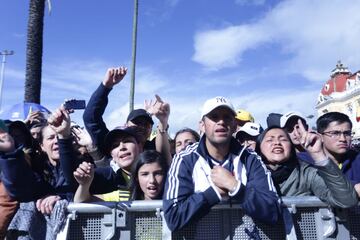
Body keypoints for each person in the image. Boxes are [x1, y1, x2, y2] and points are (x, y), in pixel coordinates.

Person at [163, 96, 280, 231]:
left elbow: (273, 210)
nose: (221, 122)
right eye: (214, 117)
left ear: (235, 125)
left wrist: (236, 187)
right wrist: (214, 193)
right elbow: (173, 217)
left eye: (227, 117)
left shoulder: (251, 159)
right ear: (202, 125)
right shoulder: (185, 159)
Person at [255, 122, 358, 208]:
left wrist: (319, 155)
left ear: (291, 147)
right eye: (270, 140)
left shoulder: (306, 173)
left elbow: (347, 200)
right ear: (259, 147)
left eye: (283, 139)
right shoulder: (249, 174)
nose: (277, 142)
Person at [73, 126, 143, 202]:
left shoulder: (154, 167)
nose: (122, 147)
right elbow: (80, 202)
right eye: (115, 145)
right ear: (112, 155)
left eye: (127, 141)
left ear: (139, 146)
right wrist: (84, 185)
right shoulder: (108, 176)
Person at [316, 112, 360, 197]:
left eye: (347, 133)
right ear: (320, 137)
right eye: (335, 133)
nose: (343, 139)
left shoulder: (357, 159)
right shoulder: (307, 161)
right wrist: (354, 188)